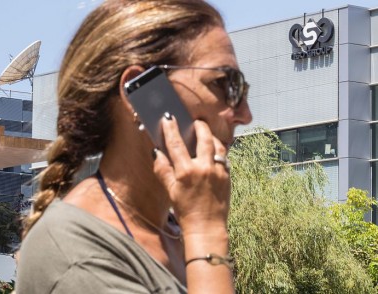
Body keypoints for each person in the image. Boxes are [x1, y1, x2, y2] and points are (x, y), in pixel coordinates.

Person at [15, 0, 252, 293]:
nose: (244, 114)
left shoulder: (174, 231)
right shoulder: (74, 251)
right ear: (142, 91)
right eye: (224, 84)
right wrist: (206, 231)